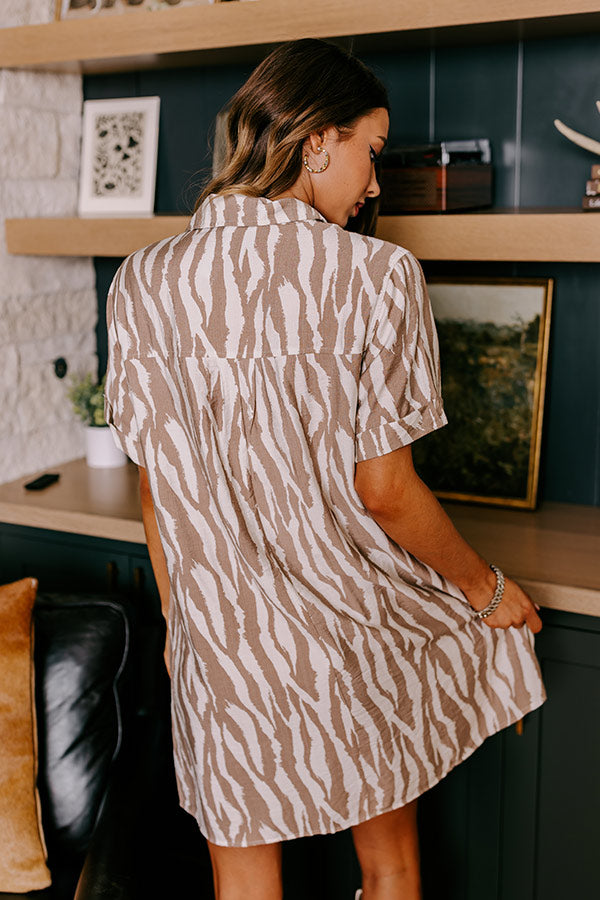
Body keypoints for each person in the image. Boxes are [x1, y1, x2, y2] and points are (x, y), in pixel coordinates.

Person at [104, 38, 547, 900]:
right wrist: (486, 591)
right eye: (372, 152)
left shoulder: (142, 281)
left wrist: (182, 626)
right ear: (316, 141)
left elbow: (158, 494)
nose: (375, 184)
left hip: (223, 644)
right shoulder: (378, 275)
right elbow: (385, 492)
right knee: (390, 868)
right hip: (354, 634)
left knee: (244, 886)